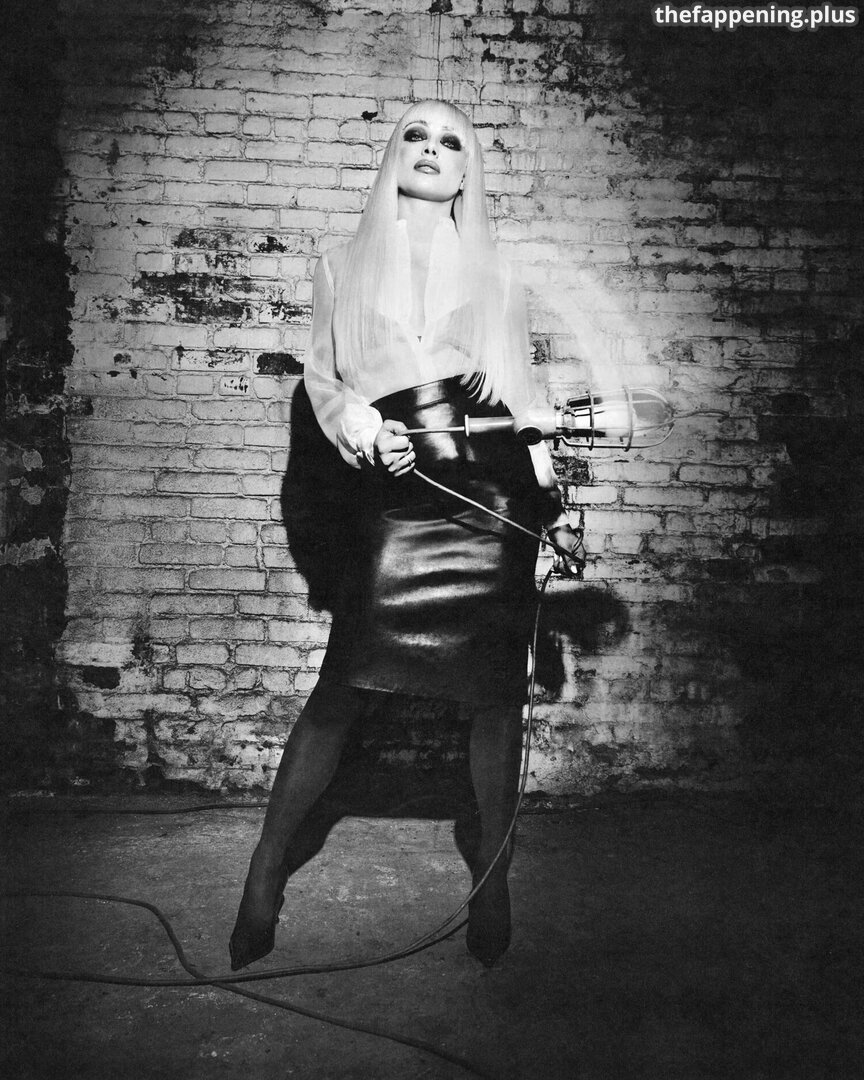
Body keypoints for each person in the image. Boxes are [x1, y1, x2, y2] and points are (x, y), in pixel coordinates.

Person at [229, 100, 584, 971]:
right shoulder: (339, 262)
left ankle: (491, 880)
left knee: (493, 698)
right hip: (397, 490)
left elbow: (519, 396)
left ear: (468, 171)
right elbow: (325, 379)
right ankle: (264, 875)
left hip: (489, 495)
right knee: (341, 690)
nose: (431, 149)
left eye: (450, 141)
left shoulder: (499, 274)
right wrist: (362, 429)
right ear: (394, 155)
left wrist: (545, 481)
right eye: (416, 136)